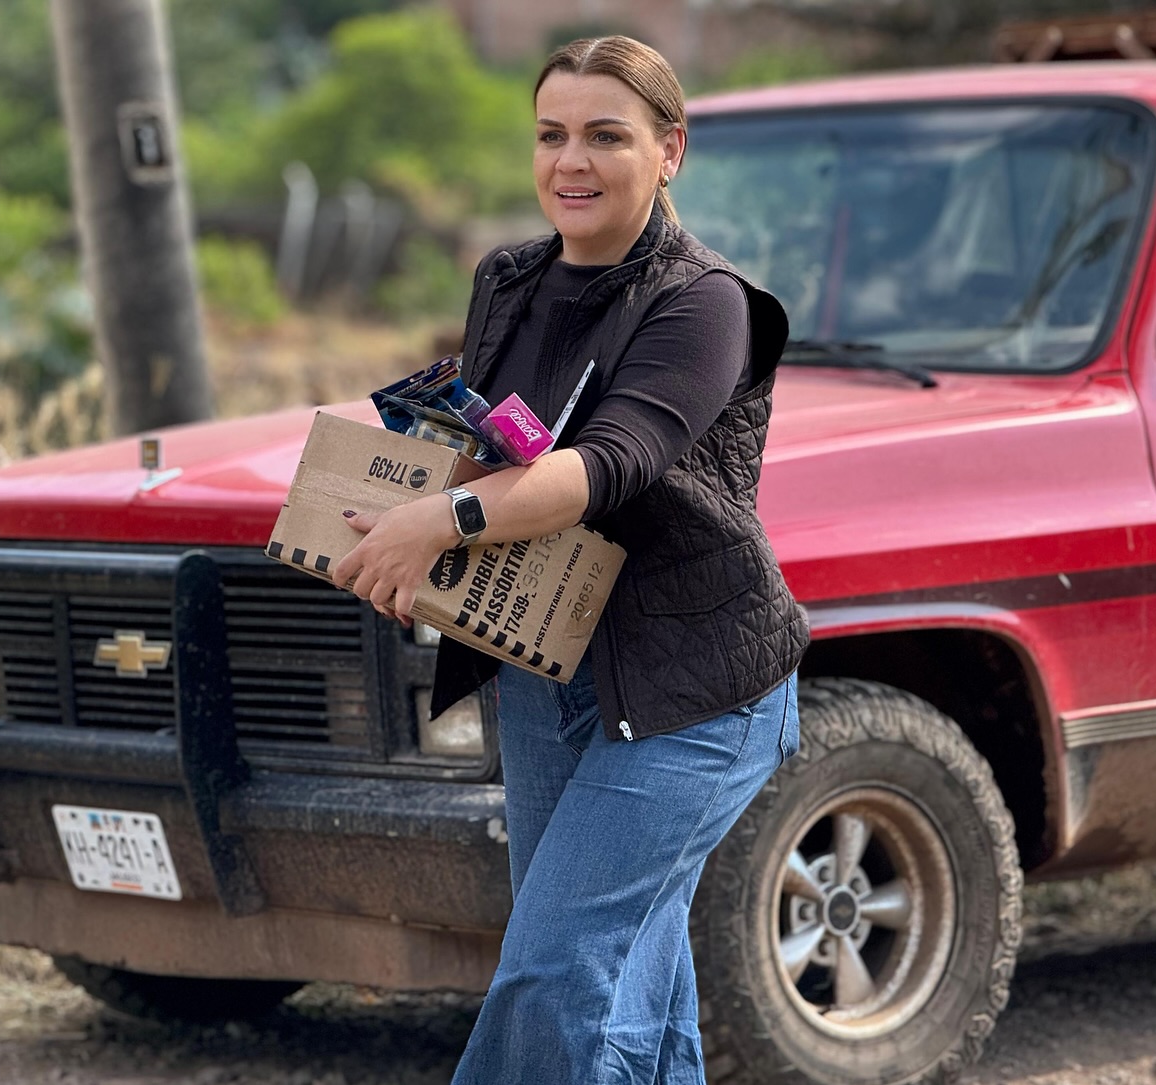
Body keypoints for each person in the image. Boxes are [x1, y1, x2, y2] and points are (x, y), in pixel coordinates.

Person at [332, 35, 810, 1085]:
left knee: (555, 971)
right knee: (632, 983)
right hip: (544, 662)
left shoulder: (707, 301)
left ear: (670, 149)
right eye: (551, 135)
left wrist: (443, 519)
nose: (571, 161)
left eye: (606, 135)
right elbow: (496, 445)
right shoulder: (507, 278)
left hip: (696, 686)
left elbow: (608, 465)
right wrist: (400, 524)